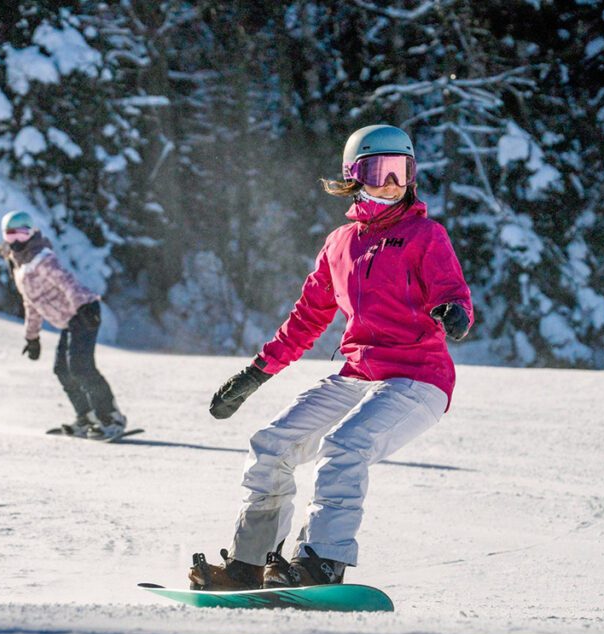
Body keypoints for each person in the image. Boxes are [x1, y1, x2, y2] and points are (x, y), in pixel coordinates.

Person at [190, 125, 473, 590]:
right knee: (271, 445)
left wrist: (456, 313)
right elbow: (306, 318)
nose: (391, 184)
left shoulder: (426, 235)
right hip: (358, 374)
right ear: (354, 176)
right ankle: (249, 564)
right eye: (380, 171)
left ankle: (321, 560)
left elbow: (453, 292)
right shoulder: (341, 243)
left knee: (344, 448)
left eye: (401, 172)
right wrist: (256, 374)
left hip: (418, 377)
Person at [0, 210, 127, 439]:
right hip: (71, 319)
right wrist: (32, 337)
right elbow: (31, 304)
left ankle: (111, 417)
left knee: (80, 366)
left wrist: (83, 307)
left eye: (22, 234)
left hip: (84, 311)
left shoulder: (42, 258)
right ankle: (87, 417)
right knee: (62, 369)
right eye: (11, 236)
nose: (17, 240)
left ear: (31, 233)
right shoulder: (19, 268)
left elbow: (67, 283)